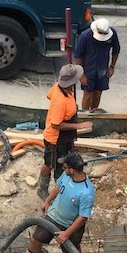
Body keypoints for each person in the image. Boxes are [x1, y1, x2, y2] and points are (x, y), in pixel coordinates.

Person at [11, 152, 94, 253]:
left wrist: (67, 233)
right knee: (35, 240)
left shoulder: (86, 192)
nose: (63, 169)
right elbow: (58, 187)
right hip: (53, 216)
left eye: (65, 167)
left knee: (73, 250)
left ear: (72, 170)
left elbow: (83, 217)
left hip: (71, 225)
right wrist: (47, 201)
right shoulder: (66, 176)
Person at [36, 64, 91, 199]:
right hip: (56, 139)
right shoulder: (60, 101)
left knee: (60, 161)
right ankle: (43, 189)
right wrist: (78, 126)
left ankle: (61, 186)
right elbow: (55, 124)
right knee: (52, 163)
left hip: (63, 137)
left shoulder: (60, 87)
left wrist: (71, 107)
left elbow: (49, 96)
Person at [74, 18, 121, 114]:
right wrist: (82, 74)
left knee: (97, 94)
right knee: (88, 95)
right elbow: (78, 56)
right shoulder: (85, 36)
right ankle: (85, 115)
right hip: (88, 69)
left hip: (102, 69)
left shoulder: (112, 34)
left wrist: (112, 67)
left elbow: (116, 50)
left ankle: (94, 114)